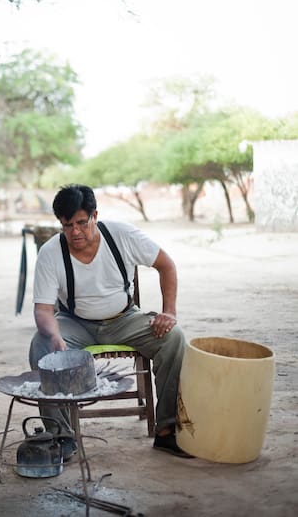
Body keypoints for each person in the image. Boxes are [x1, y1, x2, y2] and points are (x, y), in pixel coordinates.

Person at [29, 184, 192, 459]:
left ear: (95, 215)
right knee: (41, 347)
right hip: (75, 323)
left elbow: (166, 265)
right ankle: (62, 437)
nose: (76, 232)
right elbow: (43, 310)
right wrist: (55, 335)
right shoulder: (50, 253)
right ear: (60, 223)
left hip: (124, 320)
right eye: (68, 225)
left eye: (82, 222)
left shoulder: (122, 235)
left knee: (174, 339)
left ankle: (166, 430)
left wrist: (169, 312)